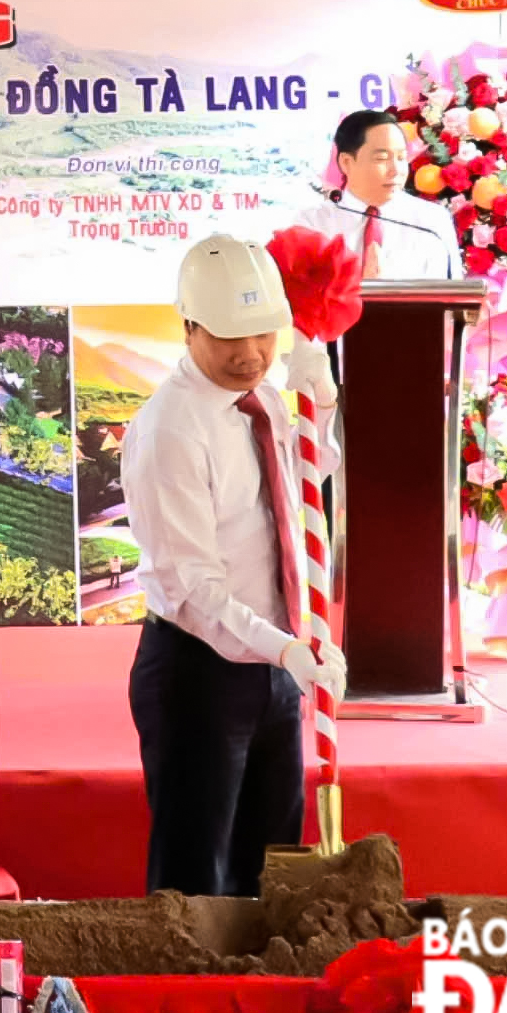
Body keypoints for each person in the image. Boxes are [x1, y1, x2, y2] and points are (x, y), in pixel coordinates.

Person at [121, 234, 349, 897]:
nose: (250, 354)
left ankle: (258, 994)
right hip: (200, 672)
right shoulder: (172, 427)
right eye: (228, 338)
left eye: (263, 335)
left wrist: (321, 411)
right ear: (189, 325)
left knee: (269, 863)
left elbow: (303, 484)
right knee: (196, 878)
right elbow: (192, 588)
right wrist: (286, 649)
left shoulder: (264, 400)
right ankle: (189, 997)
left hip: (275, 664)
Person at [294, 110, 461, 281]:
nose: (396, 170)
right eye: (382, 158)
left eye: (401, 157)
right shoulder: (312, 224)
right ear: (346, 162)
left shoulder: (433, 221)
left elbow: (455, 296)